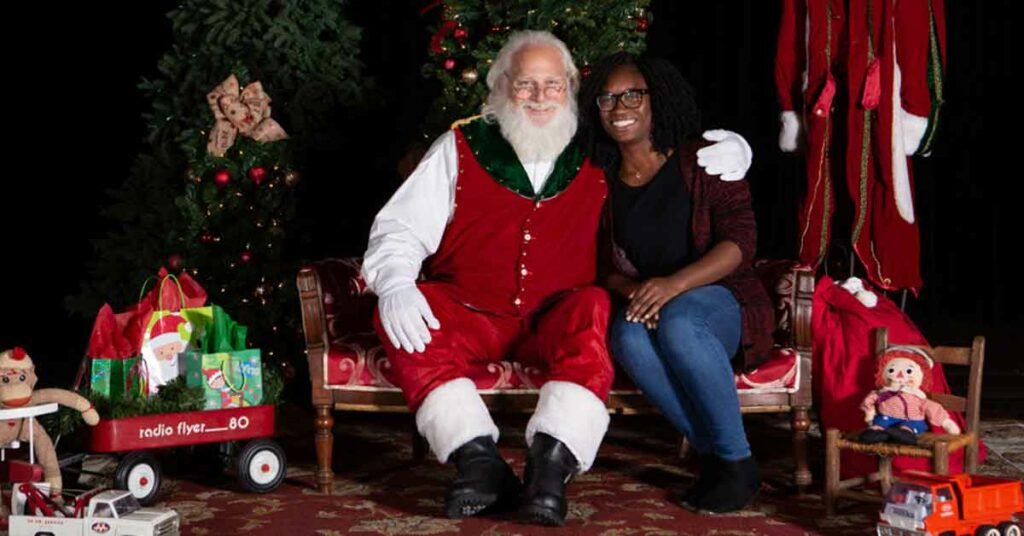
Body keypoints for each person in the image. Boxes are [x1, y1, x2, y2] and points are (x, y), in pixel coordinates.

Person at [361, 32, 752, 525]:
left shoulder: (599, 152)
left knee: (592, 307)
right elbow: (401, 227)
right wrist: (395, 280)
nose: (541, 97)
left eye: (553, 84)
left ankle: (552, 466)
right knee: (404, 314)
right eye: (526, 84)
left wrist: (734, 147)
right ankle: (477, 461)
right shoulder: (460, 146)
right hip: (471, 311)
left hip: (554, 317)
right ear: (502, 87)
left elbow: (661, 157)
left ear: (571, 89)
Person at [578, 52, 772, 513]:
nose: (619, 107)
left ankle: (737, 459)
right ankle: (718, 459)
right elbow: (601, 264)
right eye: (607, 97)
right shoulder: (598, 177)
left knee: (681, 322)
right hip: (654, 300)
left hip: (722, 301)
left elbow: (741, 242)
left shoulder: (702, 158)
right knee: (626, 333)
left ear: (656, 99)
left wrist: (673, 285)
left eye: (632, 94)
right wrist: (638, 293)